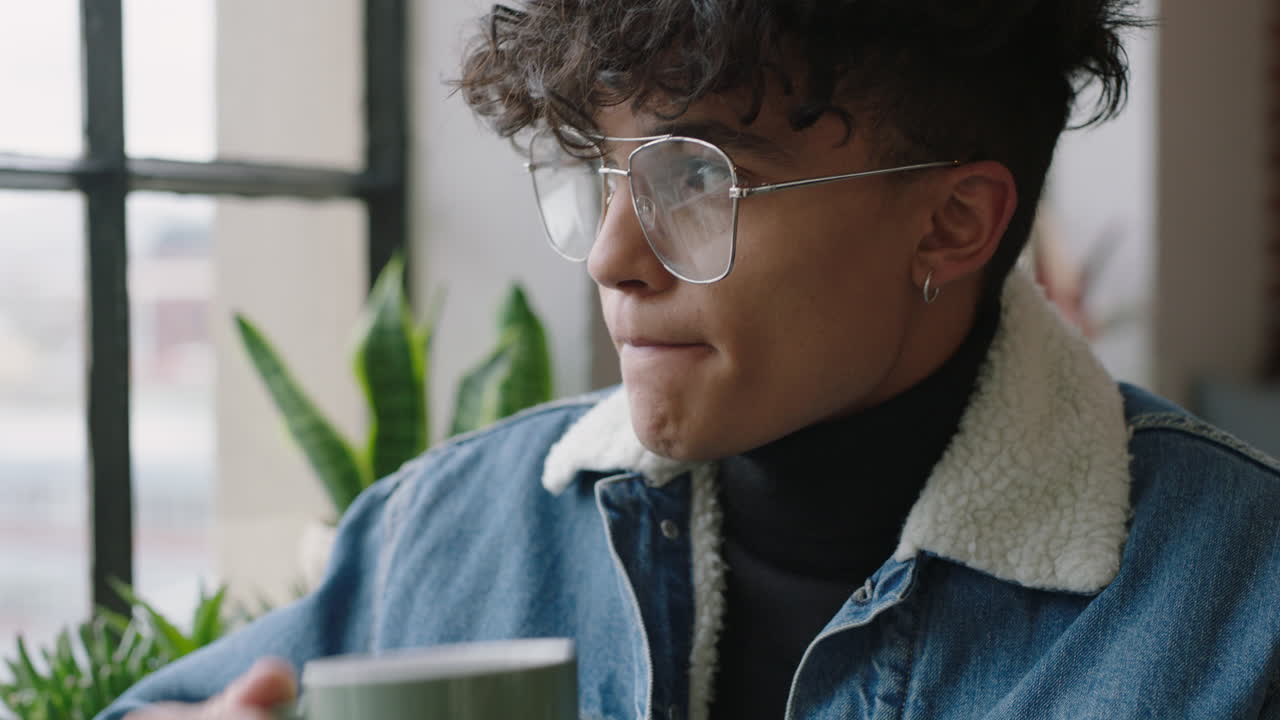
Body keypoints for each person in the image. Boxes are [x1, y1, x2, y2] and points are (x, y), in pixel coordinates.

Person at [105, 1, 1280, 718]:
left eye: (700, 179)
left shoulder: (1241, 603)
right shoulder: (451, 531)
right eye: (602, 176)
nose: (612, 257)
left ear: (949, 225)